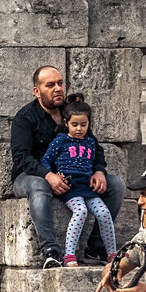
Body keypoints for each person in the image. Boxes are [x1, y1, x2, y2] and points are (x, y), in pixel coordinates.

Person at [11, 67, 125, 268]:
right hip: (31, 176)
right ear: (37, 91)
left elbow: (93, 145)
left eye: (60, 83)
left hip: (75, 178)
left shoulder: (72, 111)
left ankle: (96, 248)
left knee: (116, 184)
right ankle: (51, 252)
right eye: (50, 85)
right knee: (39, 185)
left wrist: (99, 170)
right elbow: (22, 158)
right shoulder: (25, 117)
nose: (58, 89)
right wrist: (48, 175)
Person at [40, 97, 117, 267]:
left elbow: (97, 160)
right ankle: (69, 254)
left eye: (83, 124)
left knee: (104, 213)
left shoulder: (90, 142)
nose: (79, 129)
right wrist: (53, 175)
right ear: (66, 123)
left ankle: (112, 253)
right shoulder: (60, 140)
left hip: (88, 187)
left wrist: (98, 172)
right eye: (75, 124)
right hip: (71, 187)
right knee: (80, 211)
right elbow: (46, 161)